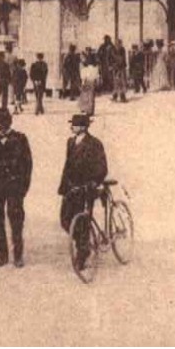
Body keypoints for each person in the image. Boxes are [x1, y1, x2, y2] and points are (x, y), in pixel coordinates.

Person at [58, 113, 109, 272]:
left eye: (74, 124)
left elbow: (102, 167)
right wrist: (64, 186)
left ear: (83, 127)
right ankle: (82, 243)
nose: (72, 126)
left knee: (83, 222)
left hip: (87, 188)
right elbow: (68, 165)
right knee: (65, 219)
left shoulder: (94, 144)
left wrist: (93, 183)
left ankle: (83, 252)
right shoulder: (70, 142)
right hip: (72, 187)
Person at [0, 108, 32, 268]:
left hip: (15, 186)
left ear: (10, 122)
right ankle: (1, 254)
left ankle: (18, 255)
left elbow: (27, 165)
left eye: (4, 123)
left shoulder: (20, 139)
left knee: (16, 219)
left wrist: (23, 187)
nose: (1, 126)